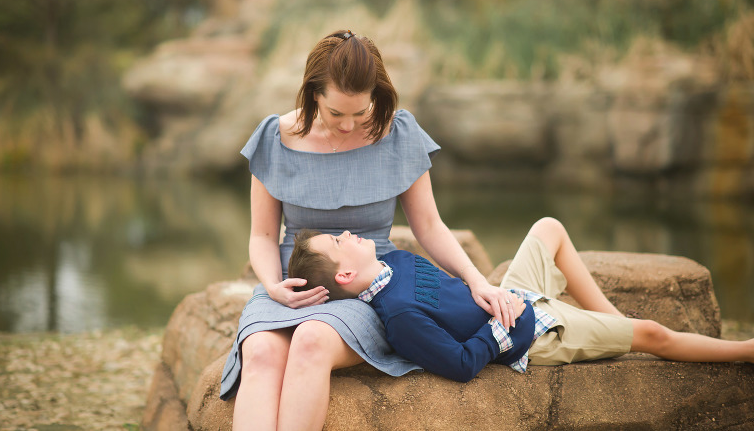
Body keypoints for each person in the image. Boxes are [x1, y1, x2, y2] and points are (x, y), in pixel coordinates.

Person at [220, 30, 522, 431]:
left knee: (311, 341)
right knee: (259, 352)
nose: (348, 125)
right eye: (336, 113)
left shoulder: (398, 134)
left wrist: (477, 281)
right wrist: (274, 286)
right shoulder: (275, 138)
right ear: (313, 95)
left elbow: (429, 226)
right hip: (290, 282)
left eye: (360, 113)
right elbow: (261, 236)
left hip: (364, 287)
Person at [289, 216, 754, 382]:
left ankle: (611, 317)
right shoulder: (399, 317)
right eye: (337, 240)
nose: (348, 232)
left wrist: (484, 287)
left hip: (510, 296)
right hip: (530, 334)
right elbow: (460, 365)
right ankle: (746, 351)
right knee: (652, 336)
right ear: (346, 272)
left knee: (549, 227)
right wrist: (502, 330)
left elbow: (456, 288)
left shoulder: (398, 263)